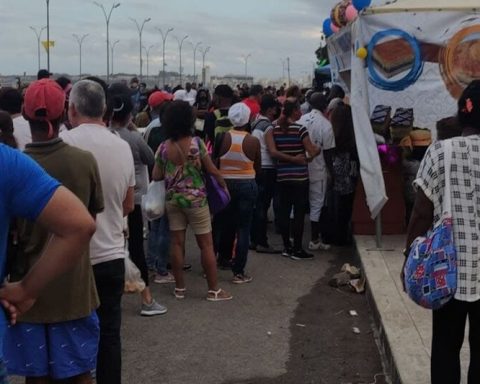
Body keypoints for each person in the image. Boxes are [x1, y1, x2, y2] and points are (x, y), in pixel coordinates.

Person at [3, 79, 103, 384]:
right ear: (65, 113)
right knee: (81, 374)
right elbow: (90, 218)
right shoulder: (83, 160)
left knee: (37, 377)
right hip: (74, 287)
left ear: (24, 113)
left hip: (26, 290)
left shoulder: (19, 163)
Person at [404, 80, 480, 384]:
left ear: (462, 113)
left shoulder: (440, 152)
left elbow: (421, 211)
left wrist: (410, 254)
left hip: (446, 270)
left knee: (446, 348)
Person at [60, 79, 136, 384]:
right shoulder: (122, 146)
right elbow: (129, 204)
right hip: (111, 255)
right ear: (104, 109)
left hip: (71, 258)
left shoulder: (64, 143)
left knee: (68, 334)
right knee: (109, 336)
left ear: (72, 109)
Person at [152, 100, 232, 301]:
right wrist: (223, 185)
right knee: (206, 244)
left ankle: (179, 289)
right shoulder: (197, 143)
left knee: (177, 244)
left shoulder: (163, 146)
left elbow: (156, 175)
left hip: (173, 200)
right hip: (196, 200)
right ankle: (213, 290)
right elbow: (211, 169)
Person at [108, 84, 167, 316]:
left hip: (108, 200)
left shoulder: (106, 135)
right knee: (135, 249)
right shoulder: (132, 137)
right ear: (129, 114)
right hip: (133, 199)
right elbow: (150, 158)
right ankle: (147, 299)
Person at [266, 98, 320, 259]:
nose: (301, 112)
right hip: (300, 178)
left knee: (283, 212)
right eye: (298, 110)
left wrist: (288, 159)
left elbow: (273, 152)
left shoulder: (274, 130)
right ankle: (297, 248)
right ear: (294, 111)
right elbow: (311, 151)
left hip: (282, 177)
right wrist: (316, 150)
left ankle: (286, 246)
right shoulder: (300, 129)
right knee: (298, 213)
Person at [215, 103, 260, 283]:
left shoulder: (222, 137)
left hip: (224, 183)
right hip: (247, 183)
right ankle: (239, 272)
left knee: (223, 224)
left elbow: (215, 161)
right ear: (248, 118)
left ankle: (219, 260)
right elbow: (259, 166)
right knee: (243, 227)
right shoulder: (252, 140)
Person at [297, 92, 335, 251]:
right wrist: (331, 173)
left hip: (300, 169)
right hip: (318, 171)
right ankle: (314, 240)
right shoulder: (326, 125)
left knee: (297, 205)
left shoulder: (300, 121)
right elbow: (328, 153)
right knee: (317, 205)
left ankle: (294, 237)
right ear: (325, 106)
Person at [249, 94, 281, 253]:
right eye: (275, 108)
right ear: (270, 110)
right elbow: (273, 151)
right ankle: (262, 242)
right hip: (268, 168)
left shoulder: (256, 123)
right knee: (263, 206)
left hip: (257, 167)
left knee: (257, 206)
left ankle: (254, 240)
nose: (277, 110)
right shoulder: (267, 126)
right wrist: (294, 158)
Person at [330, 102, 359, 246]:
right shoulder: (352, 135)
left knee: (336, 204)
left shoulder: (332, 133)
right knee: (346, 206)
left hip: (336, 169)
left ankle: (335, 235)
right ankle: (342, 236)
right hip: (348, 170)